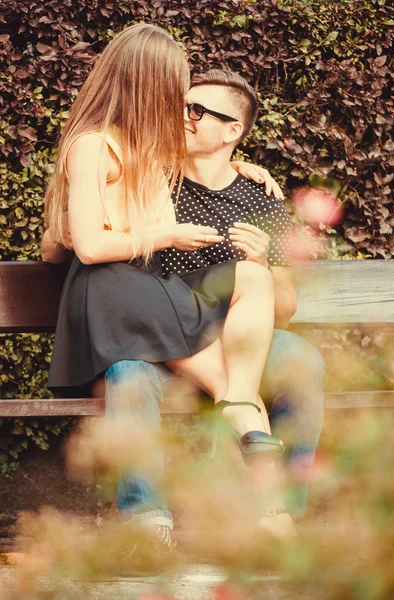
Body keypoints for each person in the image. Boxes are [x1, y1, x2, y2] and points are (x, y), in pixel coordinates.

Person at [42, 24, 295, 553]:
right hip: (112, 291)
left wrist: (242, 162)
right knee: (212, 379)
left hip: (147, 292)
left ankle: (243, 423)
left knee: (253, 277)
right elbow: (85, 248)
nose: (183, 109)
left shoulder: (148, 149)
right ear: (147, 82)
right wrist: (167, 233)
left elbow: (199, 164)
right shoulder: (92, 144)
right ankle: (264, 495)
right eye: (177, 92)